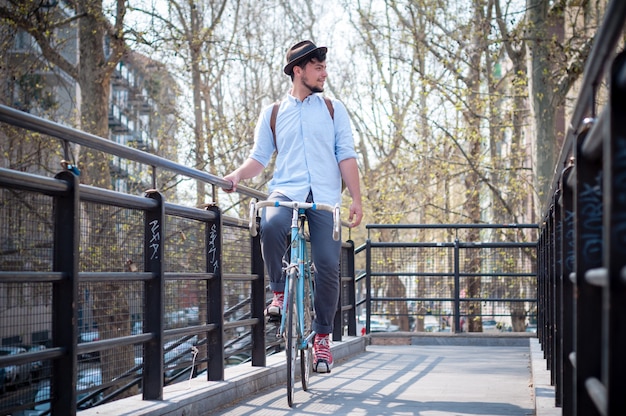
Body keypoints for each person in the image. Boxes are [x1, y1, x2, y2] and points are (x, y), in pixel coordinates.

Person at [223, 40, 363, 373]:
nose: (324, 73)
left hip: (325, 199)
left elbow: (346, 154)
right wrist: (235, 176)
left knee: (328, 267)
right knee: (269, 223)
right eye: (318, 68)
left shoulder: (333, 109)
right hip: (286, 191)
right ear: (298, 70)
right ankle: (280, 293)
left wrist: (356, 199)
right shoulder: (272, 113)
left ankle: (322, 338)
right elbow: (258, 158)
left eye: (325, 68)